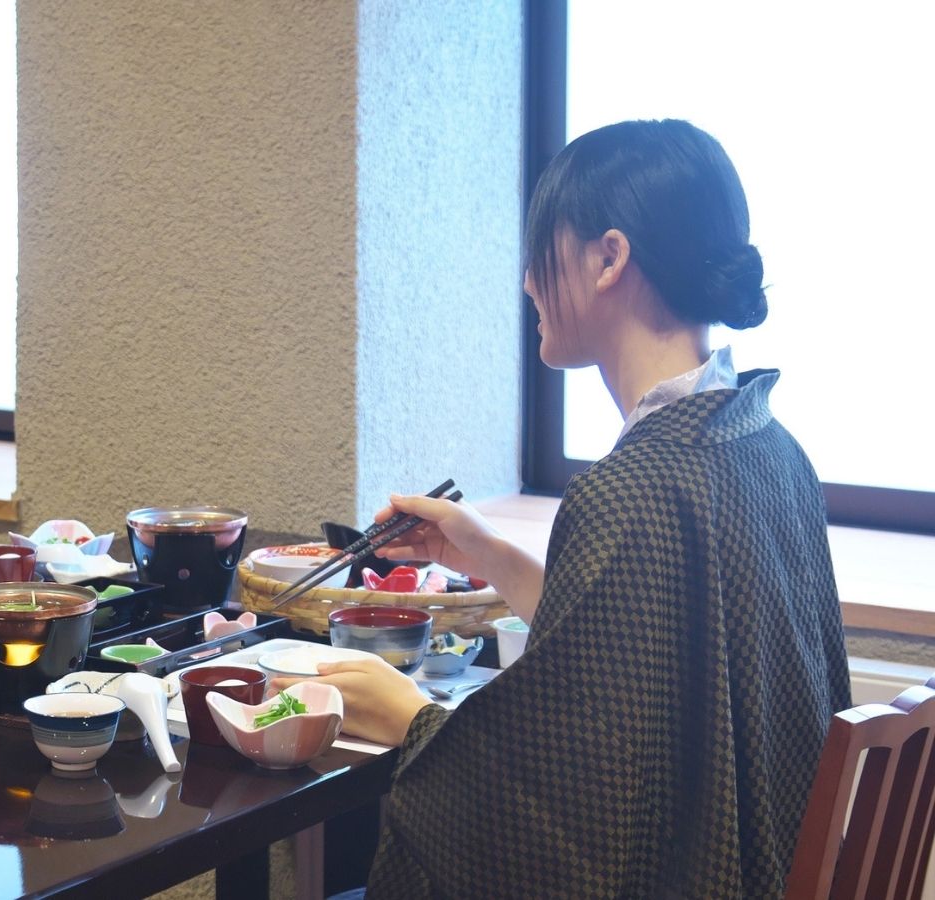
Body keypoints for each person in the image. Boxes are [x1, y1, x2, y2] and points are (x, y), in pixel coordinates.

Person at [278, 120, 850, 898]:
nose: (527, 282)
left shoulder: (640, 483)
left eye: (543, 245)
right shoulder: (765, 447)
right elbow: (639, 653)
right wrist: (481, 550)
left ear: (609, 257)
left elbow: (567, 812)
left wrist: (409, 717)